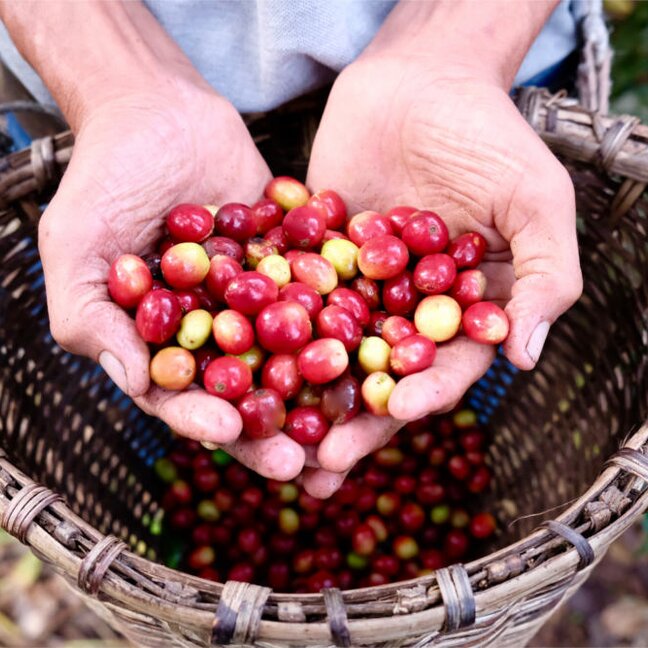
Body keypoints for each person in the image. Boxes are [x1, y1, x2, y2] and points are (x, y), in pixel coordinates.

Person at [0, 1, 582, 498]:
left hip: (487, 50)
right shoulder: (264, 280)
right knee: (160, 400)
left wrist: (454, 57)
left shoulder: (327, 291)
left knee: (440, 407)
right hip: (91, 87)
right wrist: (119, 87)